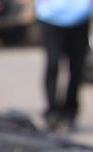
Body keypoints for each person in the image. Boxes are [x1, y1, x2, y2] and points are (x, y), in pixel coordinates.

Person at [36, 0, 92, 130]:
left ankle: (70, 112)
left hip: (79, 18)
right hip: (51, 18)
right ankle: (52, 111)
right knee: (53, 64)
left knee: (76, 68)